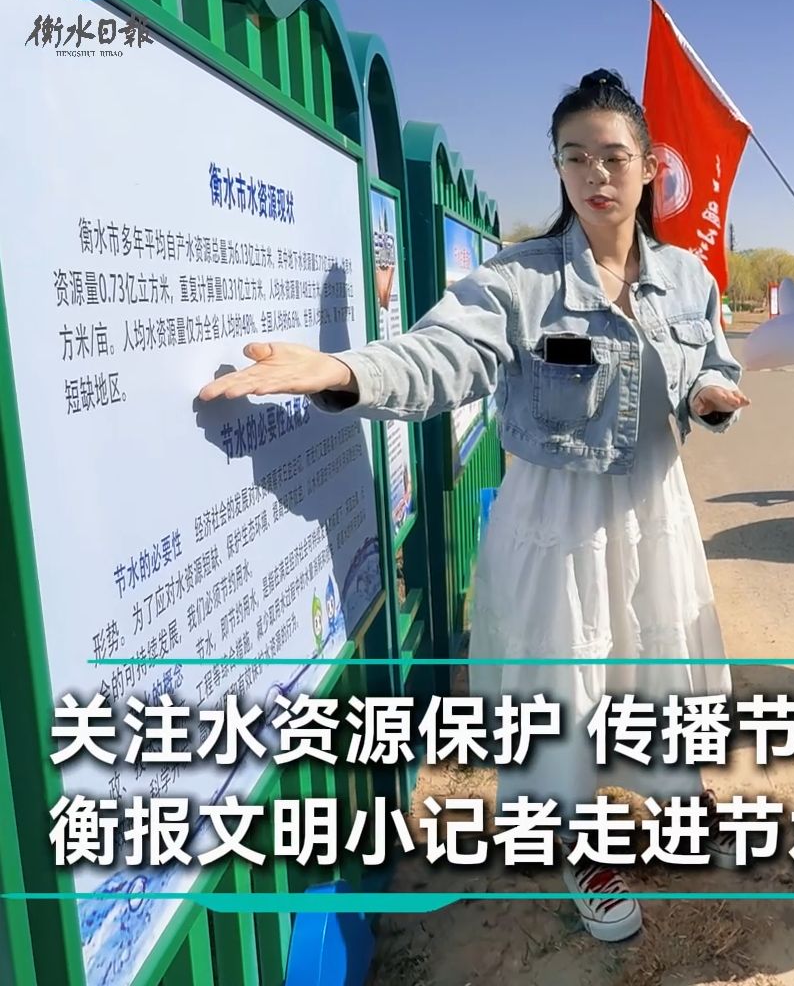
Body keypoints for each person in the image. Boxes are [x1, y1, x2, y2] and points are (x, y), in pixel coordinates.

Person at [197, 69, 751, 944]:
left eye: (614, 156)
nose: (596, 175)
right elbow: (440, 354)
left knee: (655, 660)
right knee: (560, 680)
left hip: (655, 506)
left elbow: (713, 360)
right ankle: (576, 843)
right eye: (575, 157)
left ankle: (667, 792)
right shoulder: (517, 280)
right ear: (558, 168)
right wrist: (344, 371)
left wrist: (711, 394)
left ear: (650, 166)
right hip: (557, 519)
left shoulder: (688, 278)